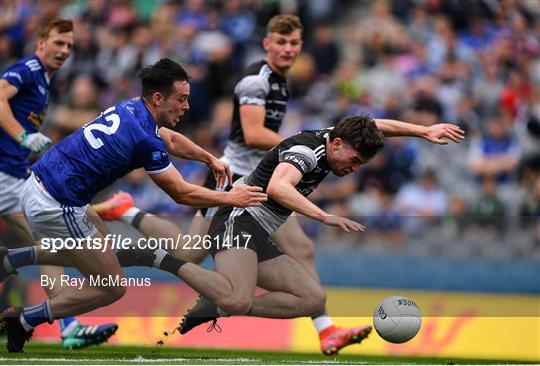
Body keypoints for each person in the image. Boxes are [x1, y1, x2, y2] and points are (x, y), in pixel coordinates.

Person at [94, 14, 373, 356]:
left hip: (261, 183)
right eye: (281, 42)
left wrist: (421, 130)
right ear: (266, 43)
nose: (288, 49)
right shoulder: (256, 82)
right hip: (236, 178)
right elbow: (255, 135)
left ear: (302, 46)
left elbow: (360, 127)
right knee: (191, 253)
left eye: (295, 43)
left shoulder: (282, 85)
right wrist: (302, 150)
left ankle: (318, 326)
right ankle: (132, 215)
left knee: (296, 259)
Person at [114, 116, 464, 351]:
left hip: (259, 229)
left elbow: (375, 124)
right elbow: (280, 188)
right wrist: (322, 215)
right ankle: (155, 258)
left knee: (313, 299)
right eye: (354, 161)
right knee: (236, 296)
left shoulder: (335, 139)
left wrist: (422, 131)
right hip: (239, 218)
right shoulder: (306, 152)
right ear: (338, 144)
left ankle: (215, 309)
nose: (353, 169)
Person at [0, 58, 267, 353]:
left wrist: (208, 157)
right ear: (157, 98)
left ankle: (10, 261)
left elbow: (171, 140)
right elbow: (181, 193)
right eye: (181, 99)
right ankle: (25, 318)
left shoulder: (132, 108)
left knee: (100, 255)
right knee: (113, 285)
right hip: (56, 202)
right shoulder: (144, 138)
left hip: (44, 185)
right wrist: (232, 197)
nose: (186, 106)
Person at [0, 18, 117, 349]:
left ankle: (67, 325)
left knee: (51, 251)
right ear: (40, 43)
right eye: (58, 43)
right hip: (6, 176)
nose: (64, 51)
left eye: (69, 46)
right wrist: (22, 135)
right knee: (54, 249)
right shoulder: (28, 70)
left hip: (14, 178)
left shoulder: (45, 81)